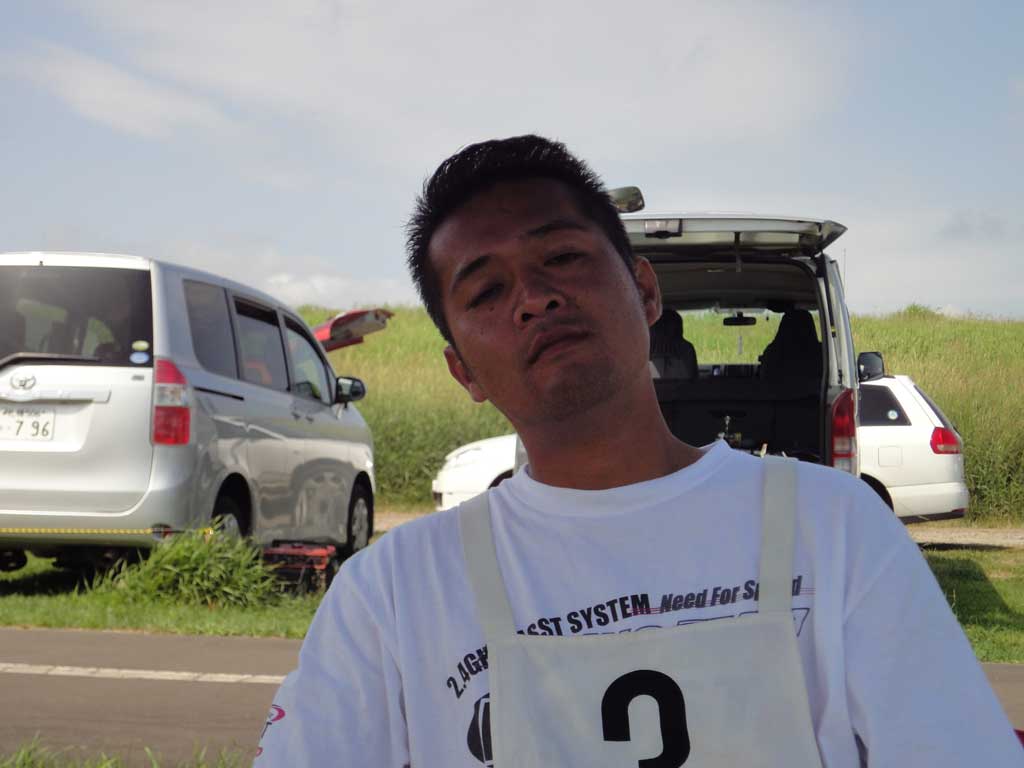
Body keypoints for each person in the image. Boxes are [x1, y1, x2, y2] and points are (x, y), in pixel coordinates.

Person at [256, 135, 1020, 766]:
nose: (534, 298)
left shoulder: (836, 530)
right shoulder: (390, 595)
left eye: (562, 257)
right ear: (464, 373)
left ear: (646, 291)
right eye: (486, 292)